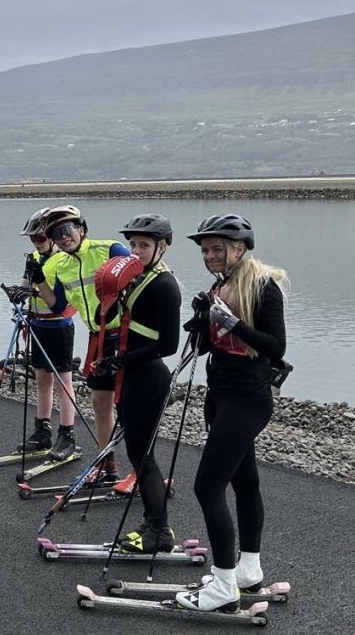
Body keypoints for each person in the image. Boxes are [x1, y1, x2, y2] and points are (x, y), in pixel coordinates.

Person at [175, 214, 288, 612]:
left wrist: (232, 322)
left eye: (217, 249)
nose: (209, 256)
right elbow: (208, 345)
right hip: (221, 395)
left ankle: (223, 586)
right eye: (205, 250)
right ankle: (248, 570)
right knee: (245, 481)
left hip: (247, 399)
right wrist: (201, 321)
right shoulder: (220, 286)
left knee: (207, 486)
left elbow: (276, 347)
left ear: (239, 249)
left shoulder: (264, 286)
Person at [98, 214, 182, 553]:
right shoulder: (134, 277)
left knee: (142, 455)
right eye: (132, 244)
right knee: (137, 453)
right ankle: (152, 522)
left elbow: (169, 345)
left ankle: (159, 530)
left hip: (148, 376)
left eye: (144, 245)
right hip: (131, 373)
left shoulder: (165, 285)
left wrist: (125, 359)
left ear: (162, 247)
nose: (136, 251)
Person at [32, 205, 130, 483]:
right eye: (56, 234)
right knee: (99, 403)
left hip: (125, 334)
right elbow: (58, 305)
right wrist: (39, 280)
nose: (63, 237)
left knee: (128, 405)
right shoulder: (60, 265)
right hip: (98, 337)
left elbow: (141, 277)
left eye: (67, 230)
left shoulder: (110, 249)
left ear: (82, 229)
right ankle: (106, 465)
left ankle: (142, 470)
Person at [12, 207, 78, 460]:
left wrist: (37, 288)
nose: (36, 243)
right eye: (32, 239)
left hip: (59, 325)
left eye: (40, 238)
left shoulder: (63, 260)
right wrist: (18, 293)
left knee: (63, 381)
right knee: (41, 379)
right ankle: (42, 431)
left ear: (52, 237)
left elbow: (60, 301)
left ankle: (67, 433)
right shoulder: (33, 257)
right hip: (37, 324)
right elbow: (25, 283)